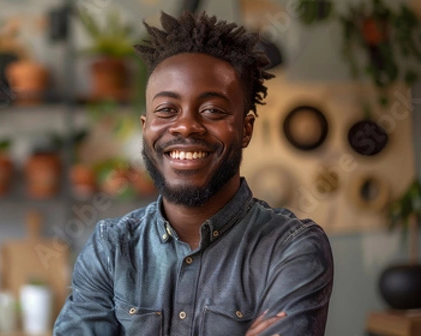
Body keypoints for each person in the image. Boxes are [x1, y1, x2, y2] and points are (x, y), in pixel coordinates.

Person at [54, 10, 333, 336]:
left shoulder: (290, 247)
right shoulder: (111, 248)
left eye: (212, 110)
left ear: (245, 129)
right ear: (146, 129)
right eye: (167, 110)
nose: (186, 125)